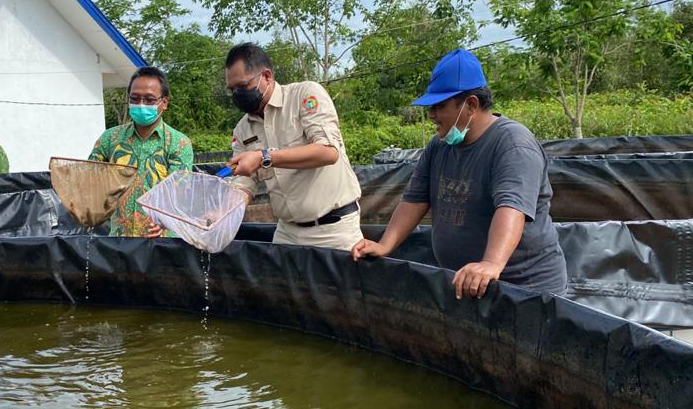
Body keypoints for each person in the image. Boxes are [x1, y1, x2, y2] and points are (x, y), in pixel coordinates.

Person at [351, 48, 567, 298]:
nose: (431, 115)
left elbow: (511, 208)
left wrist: (491, 263)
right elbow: (415, 199)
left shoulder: (512, 144)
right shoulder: (440, 145)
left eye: (439, 106)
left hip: (525, 289)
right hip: (467, 282)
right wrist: (385, 244)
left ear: (471, 104)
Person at [225, 43, 363, 249]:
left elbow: (328, 152)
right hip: (287, 232)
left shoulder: (304, 96)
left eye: (243, 86)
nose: (237, 94)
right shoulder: (242, 129)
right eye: (232, 89)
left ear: (267, 76)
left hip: (334, 230)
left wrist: (264, 157)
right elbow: (244, 183)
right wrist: (223, 214)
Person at [89, 66, 194, 237]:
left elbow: (180, 192)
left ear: (164, 103)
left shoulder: (179, 143)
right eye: (135, 99)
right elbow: (91, 177)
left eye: (149, 100)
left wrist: (164, 220)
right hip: (119, 241)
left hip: (162, 242)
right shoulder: (110, 138)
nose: (141, 104)